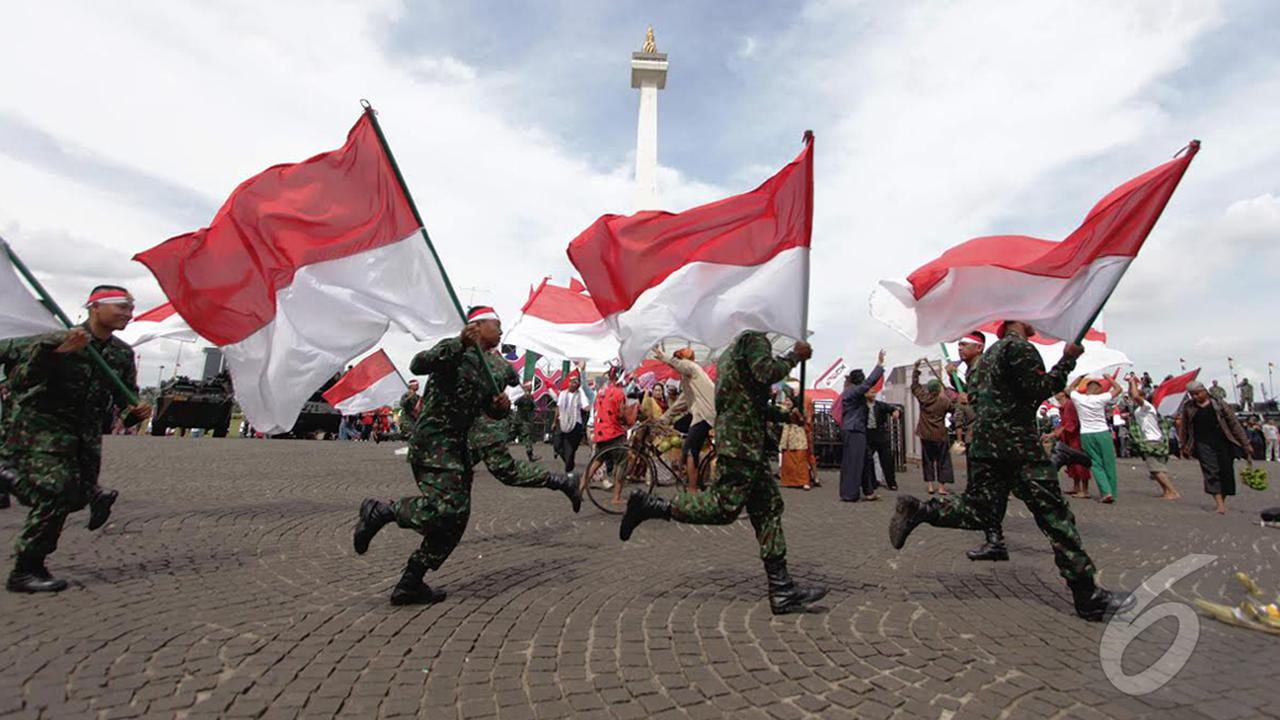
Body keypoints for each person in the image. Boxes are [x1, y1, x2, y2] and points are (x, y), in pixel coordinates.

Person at [888, 320, 1133, 621]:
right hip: (1019, 447)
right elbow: (1038, 390)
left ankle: (922, 511)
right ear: (1019, 322)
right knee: (1056, 518)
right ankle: (1088, 595)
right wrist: (1069, 358)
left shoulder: (990, 356)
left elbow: (979, 397)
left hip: (988, 446)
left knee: (981, 511)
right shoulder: (1020, 348)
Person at [352, 306, 579, 606]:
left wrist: (499, 406)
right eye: (495, 324)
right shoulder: (455, 349)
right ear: (477, 325)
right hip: (433, 442)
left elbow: (488, 409)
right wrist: (460, 342)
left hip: (456, 446)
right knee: (449, 510)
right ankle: (385, 511)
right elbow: (419, 364)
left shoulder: (494, 367)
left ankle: (411, 582)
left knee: (455, 521)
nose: (500, 330)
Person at [619, 331, 826, 615]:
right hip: (742, 446)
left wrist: (784, 415)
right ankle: (652, 506)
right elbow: (767, 372)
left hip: (743, 443)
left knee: (768, 510)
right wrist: (795, 356)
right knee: (723, 507)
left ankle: (782, 589)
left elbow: (748, 403)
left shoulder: (733, 351)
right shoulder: (754, 341)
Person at [3, 286, 152, 593]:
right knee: (55, 494)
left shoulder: (121, 353)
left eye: (130, 308)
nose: (128, 313)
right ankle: (26, 568)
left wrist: (136, 412)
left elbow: (124, 403)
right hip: (41, 430)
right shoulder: (57, 339)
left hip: (84, 436)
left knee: (72, 496)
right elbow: (20, 382)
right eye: (121, 307)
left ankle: (12, 477)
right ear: (94, 307)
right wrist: (55, 352)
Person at [1176, 381, 1251, 515]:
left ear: (1205, 391)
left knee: (1226, 471)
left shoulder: (1219, 404)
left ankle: (1222, 499)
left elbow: (1234, 424)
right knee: (1211, 471)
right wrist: (1183, 445)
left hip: (1224, 442)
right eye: (1192, 395)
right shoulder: (1189, 407)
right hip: (1202, 443)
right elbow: (1184, 428)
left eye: (1197, 394)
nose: (1195, 397)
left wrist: (1245, 444)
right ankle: (1219, 504)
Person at [655, 347, 716, 492]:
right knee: (679, 427)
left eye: (678, 360)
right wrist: (665, 418)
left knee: (690, 450)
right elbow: (681, 402)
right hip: (699, 413)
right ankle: (688, 472)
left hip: (705, 414)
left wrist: (663, 356)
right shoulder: (688, 377)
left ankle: (692, 489)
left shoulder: (692, 368)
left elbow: (681, 365)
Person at [837, 352, 886, 502]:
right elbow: (868, 384)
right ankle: (849, 494)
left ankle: (868, 491)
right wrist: (879, 366)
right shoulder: (853, 391)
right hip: (854, 431)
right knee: (854, 462)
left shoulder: (850, 391)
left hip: (855, 430)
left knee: (865, 460)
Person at [1125, 375, 1180, 499]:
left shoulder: (1148, 407)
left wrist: (1133, 381)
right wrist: (1130, 383)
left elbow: (1135, 396)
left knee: (1155, 469)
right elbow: (1132, 395)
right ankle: (1166, 491)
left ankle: (1172, 491)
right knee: (1157, 469)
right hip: (1152, 439)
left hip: (1152, 439)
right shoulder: (1139, 409)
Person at [1071, 376, 1122, 503]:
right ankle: (1113, 492)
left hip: (1086, 433)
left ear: (1087, 389)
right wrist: (1109, 378)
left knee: (1095, 464)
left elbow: (1069, 388)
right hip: (1102, 432)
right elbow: (1118, 389)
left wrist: (1080, 377)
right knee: (1109, 463)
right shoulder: (1101, 398)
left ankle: (1106, 492)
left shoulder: (1079, 398)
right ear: (1099, 390)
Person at [911, 360, 954, 495]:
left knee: (928, 460)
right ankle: (941, 487)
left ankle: (930, 485)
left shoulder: (923, 398)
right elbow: (954, 409)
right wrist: (949, 394)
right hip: (940, 434)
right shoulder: (944, 401)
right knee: (943, 461)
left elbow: (915, 386)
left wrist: (916, 370)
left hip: (925, 433)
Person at [778, 389, 817, 491]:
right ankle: (788, 480)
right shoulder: (783, 410)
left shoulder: (799, 409)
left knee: (800, 458)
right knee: (787, 458)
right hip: (788, 435)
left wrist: (798, 414)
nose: (787, 402)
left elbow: (804, 420)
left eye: (789, 400)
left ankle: (804, 481)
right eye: (786, 400)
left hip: (798, 434)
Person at [552, 375, 590, 474]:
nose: (574, 383)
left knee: (570, 449)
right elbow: (558, 408)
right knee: (557, 445)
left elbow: (586, 406)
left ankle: (568, 470)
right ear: (568, 383)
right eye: (572, 381)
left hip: (575, 424)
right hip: (562, 422)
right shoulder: (562, 394)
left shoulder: (580, 395)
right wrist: (554, 422)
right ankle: (569, 463)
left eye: (576, 382)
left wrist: (591, 407)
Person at [864, 394, 899, 492]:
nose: (873, 394)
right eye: (871, 392)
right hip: (868, 435)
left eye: (874, 392)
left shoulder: (880, 405)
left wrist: (895, 412)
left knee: (887, 460)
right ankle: (873, 482)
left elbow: (892, 408)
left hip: (880, 435)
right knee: (869, 460)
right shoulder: (863, 406)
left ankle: (891, 482)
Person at [512, 382, 539, 462]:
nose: (530, 387)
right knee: (510, 435)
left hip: (524, 420)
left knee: (527, 438)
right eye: (529, 386)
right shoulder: (522, 396)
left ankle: (530, 455)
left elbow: (534, 406)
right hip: (519, 419)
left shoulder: (530, 397)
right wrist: (524, 398)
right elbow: (516, 402)